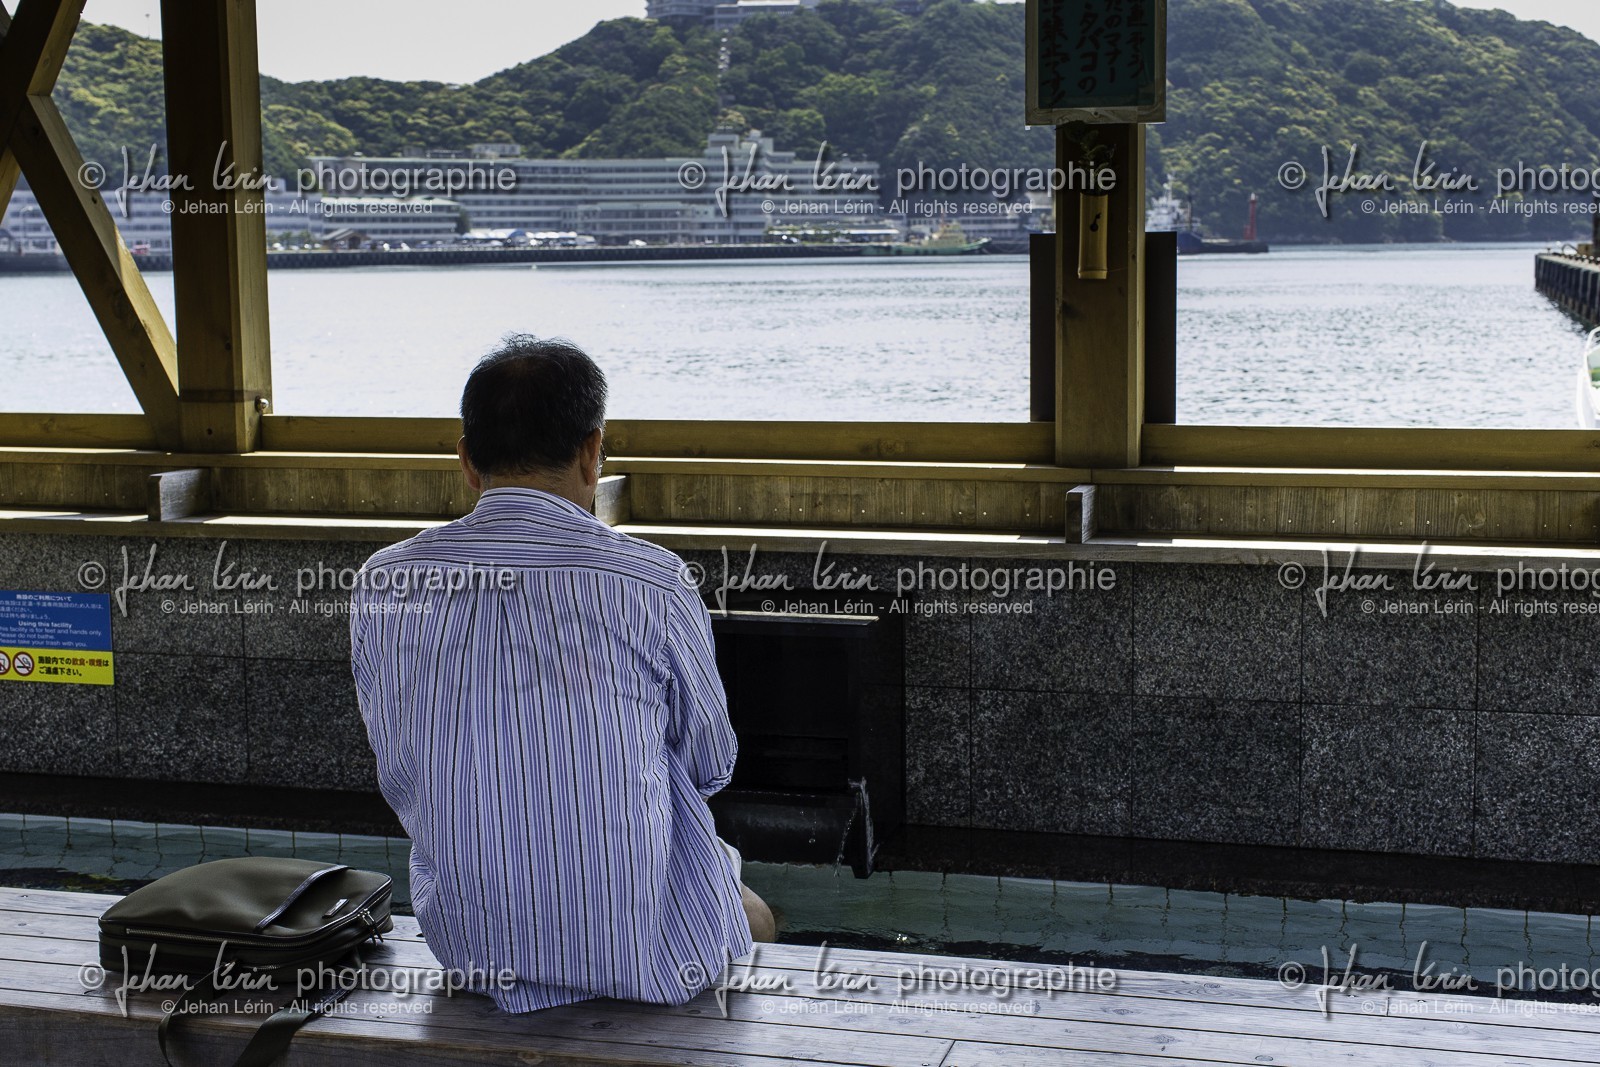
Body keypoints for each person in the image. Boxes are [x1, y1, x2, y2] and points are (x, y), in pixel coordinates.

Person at [349, 335, 774, 1014]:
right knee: (752, 914)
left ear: (466, 461)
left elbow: (400, 767)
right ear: (591, 451)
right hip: (643, 951)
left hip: (473, 947)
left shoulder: (387, 581)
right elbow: (710, 762)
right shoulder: (651, 580)